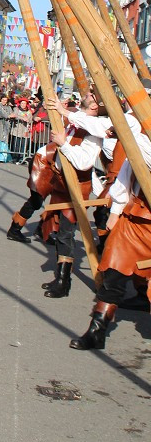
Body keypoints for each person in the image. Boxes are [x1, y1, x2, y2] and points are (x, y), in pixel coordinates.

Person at [70, 116, 151, 351]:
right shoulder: (138, 137)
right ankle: (96, 332)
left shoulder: (138, 141)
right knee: (113, 273)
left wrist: (127, 135)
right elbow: (127, 174)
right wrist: (116, 211)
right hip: (134, 219)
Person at [34, 91, 110, 298]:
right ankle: (60, 277)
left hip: (77, 186)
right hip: (62, 184)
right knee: (60, 233)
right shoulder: (77, 118)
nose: (85, 93)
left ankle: (63, 282)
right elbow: (64, 115)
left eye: (91, 94)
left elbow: (84, 163)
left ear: (95, 106)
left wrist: (63, 143)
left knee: (67, 233)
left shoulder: (94, 131)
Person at [9, 98, 32, 163]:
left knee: (23, 145)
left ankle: (22, 158)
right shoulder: (16, 109)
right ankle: (15, 157)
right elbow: (15, 115)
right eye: (22, 103)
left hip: (25, 130)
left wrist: (28, 120)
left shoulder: (29, 112)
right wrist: (22, 118)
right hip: (17, 129)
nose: (23, 105)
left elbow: (30, 120)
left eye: (24, 103)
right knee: (16, 143)